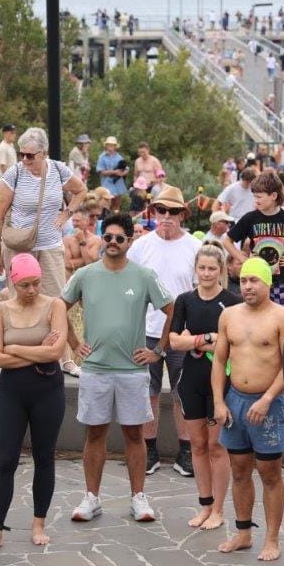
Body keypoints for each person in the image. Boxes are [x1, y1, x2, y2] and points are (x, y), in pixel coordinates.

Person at [63, 213, 174, 523]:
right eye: (107, 237)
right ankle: (91, 497)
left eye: (119, 238)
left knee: (134, 434)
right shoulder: (85, 275)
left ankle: (138, 497)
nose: (112, 243)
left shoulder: (144, 276)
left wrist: (158, 351)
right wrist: (74, 343)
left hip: (132, 371)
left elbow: (172, 309)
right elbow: (60, 306)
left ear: (130, 241)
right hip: (95, 369)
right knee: (94, 433)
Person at [0, 254, 67, 553]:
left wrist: (13, 347)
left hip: (48, 391)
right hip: (13, 393)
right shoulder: (0, 310)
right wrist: (37, 349)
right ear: (13, 283)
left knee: (44, 457)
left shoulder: (55, 306)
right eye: (25, 285)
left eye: (36, 283)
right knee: (5, 460)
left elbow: (55, 353)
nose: (32, 290)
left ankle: (39, 524)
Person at [211, 257, 284, 561]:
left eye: (254, 280)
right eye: (244, 280)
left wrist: (268, 398)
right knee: (239, 470)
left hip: (268, 404)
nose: (247, 286)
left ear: (267, 283)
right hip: (235, 400)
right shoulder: (229, 316)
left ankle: (272, 539)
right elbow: (219, 360)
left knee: (270, 473)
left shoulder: (283, 318)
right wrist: (219, 401)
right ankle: (243, 532)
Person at [128, 187, 202, 477]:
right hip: (147, 330)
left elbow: (201, 290)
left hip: (182, 334)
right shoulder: (140, 247)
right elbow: (128, 287)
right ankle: (149, 449)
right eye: (161, 210)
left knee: (184, 393)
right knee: (149, 393)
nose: (167, 216)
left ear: (183, 214)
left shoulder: (194, 247)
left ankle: (186, 451)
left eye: (173, 211)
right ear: (154, 213)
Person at [168, 245, 240, 531]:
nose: (206, 273)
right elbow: (174, 341)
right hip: (191, 380)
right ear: (195, 269)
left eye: (212, 268)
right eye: (202, 268)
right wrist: (208, 338)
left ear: (220, 270)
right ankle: (205, 506)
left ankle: (218, 509)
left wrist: (193, 340)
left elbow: (231, 344)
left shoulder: (232, 302)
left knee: (216, 446)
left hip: (221, 382)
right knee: (197, 445)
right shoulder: (185, 300)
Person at [0, 126, 87, 298]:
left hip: (51, 247)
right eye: (21, 154)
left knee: (54, 301)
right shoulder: (14, 173)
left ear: (44, 153)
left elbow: (81, 190)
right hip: (20, 246)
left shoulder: (58, 170)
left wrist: (67, 213)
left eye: (30, 155)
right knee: (21, 301)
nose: (24, 159)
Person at [221, 171, 284, 308]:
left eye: (259, 197)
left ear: (274, 196)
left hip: (280, 280)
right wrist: (244, 260)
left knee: (280, 313)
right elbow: (227, 241)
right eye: (254, 196)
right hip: (256, 278)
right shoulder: (250, 218)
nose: (256, 200)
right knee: (255, 312)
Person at [95, 136, 128, 212]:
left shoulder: (119, 157)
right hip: (107, 184)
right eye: (109, 145)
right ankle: (105, 218)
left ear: (115, 147)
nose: (110, 147)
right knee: (106, 205)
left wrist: (122, 173)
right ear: (106, 146)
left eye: (112, 145)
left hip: (118, 184)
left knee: (117, 205)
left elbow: (126, 168)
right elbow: (100, 171)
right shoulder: (102, 157)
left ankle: (116, 217)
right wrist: (114, 172)